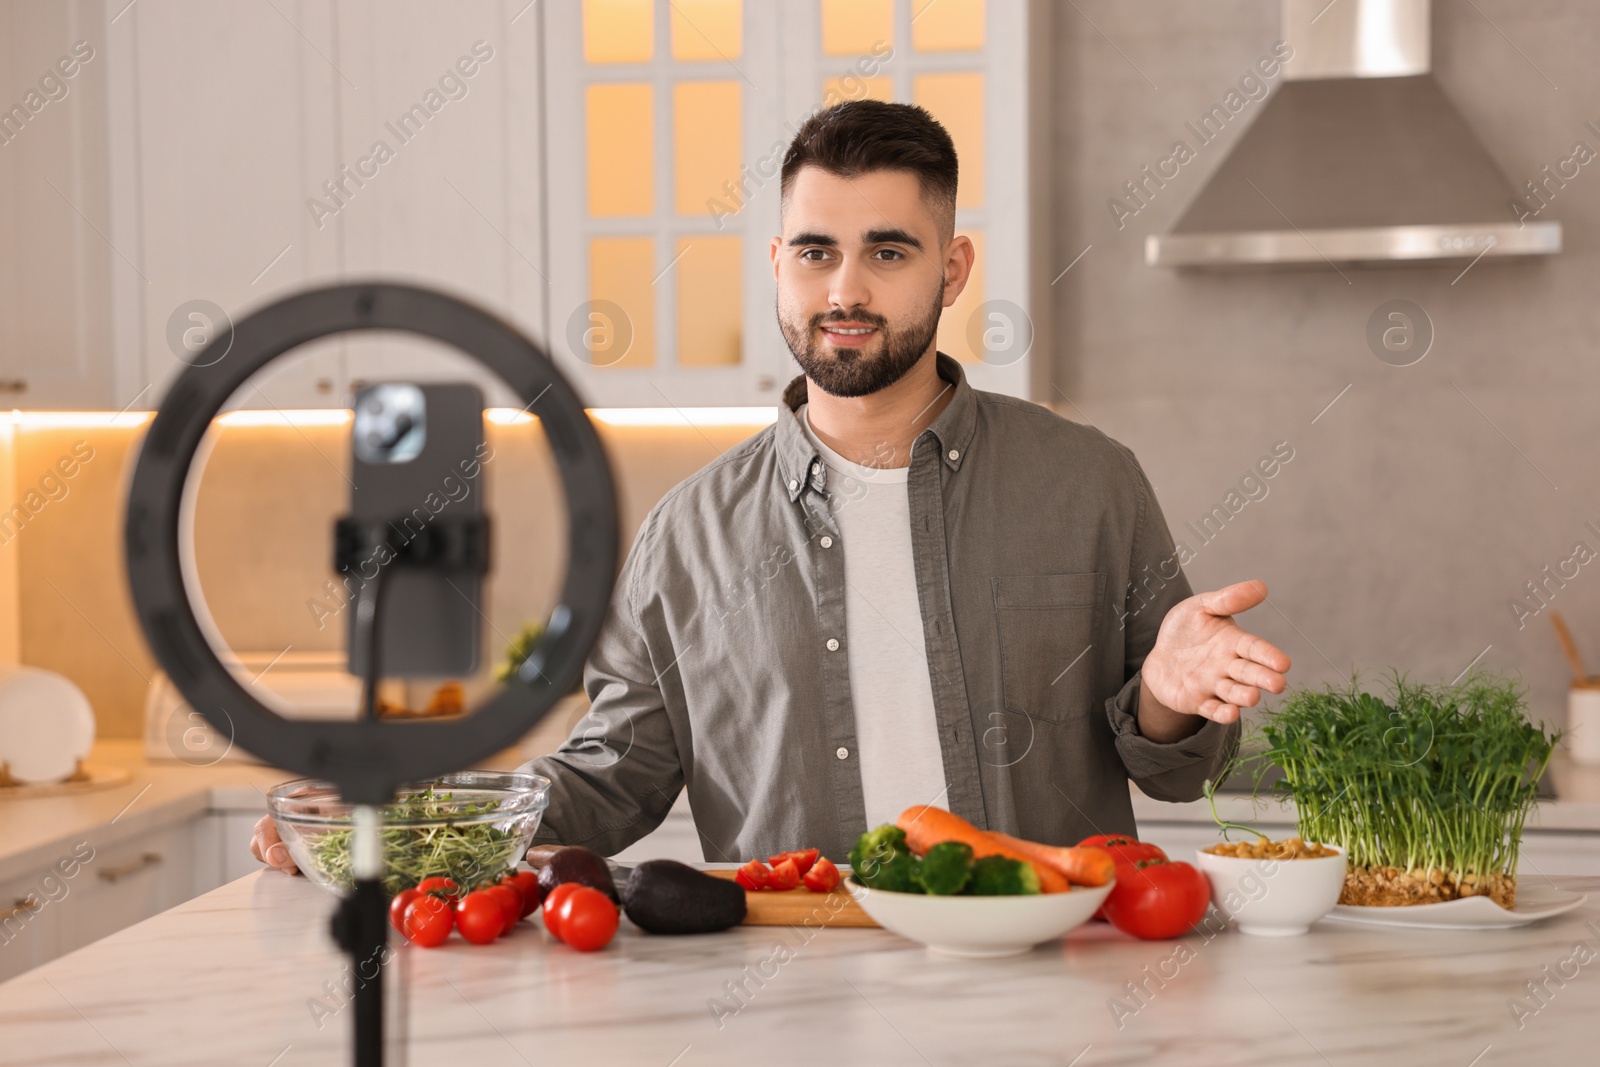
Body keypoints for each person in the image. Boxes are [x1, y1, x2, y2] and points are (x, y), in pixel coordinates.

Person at [252, 99, 1289, 873]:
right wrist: (393, 828)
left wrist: (1163, 699)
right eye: (815, 251)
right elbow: (607, 780)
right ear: (777, 263)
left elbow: (1178, 770)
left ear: (953, 266)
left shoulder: (1088, 482)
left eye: (888, 250)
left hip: (1042, 980)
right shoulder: (686, 536)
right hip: (795, 997)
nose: (845, 288)